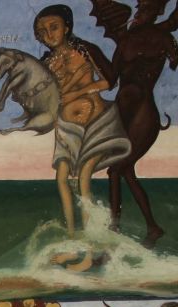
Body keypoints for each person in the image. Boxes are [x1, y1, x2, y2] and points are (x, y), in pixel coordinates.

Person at [33, 5, 130, 234]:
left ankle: (89, 236)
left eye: (54, 27)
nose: (49, 34)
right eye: (42, 31)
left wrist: (77, 92)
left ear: (66, 27)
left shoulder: (84, 50)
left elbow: (109, 81)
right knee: (61, 178)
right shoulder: (46, 62)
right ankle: (71, 235)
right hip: (66, 127)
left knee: (85, 175)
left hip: (96, 122)